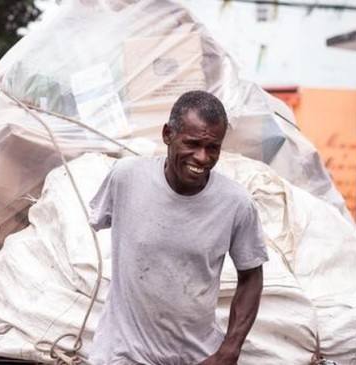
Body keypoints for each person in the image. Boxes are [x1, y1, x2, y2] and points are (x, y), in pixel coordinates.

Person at [88, 90, 268, 365]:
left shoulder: (236, 204)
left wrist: (230, 349)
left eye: (213, 148)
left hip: (196, 357)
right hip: (121, 353)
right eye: (192, 143)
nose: (202, 157)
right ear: (167, 134)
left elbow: (251, 277)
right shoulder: (126, 178)